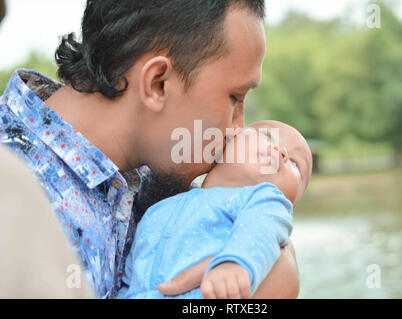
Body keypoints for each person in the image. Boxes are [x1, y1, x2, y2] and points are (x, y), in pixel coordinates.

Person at [0, 1, 301, 298]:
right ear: (158, 83)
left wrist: (266, 259)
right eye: (235, 97)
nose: (239, 127)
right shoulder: (12, 198)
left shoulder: (156, 171)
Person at [119, 121, 312, 298]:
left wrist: (235, 262)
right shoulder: (160, 207)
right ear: (229, 140)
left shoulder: (265, 202)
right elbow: (133, 272)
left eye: (296, 164)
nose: (282, 152)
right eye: (267, 136)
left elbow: (263, 230)